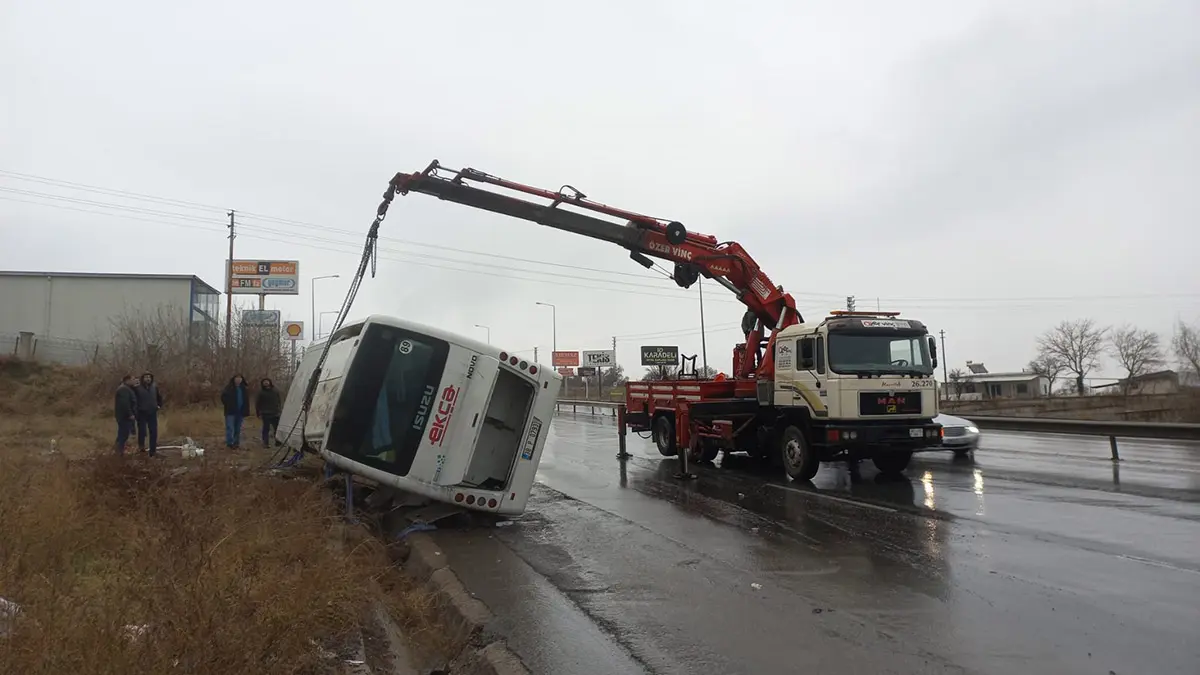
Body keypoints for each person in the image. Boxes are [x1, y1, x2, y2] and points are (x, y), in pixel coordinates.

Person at [134, 371, 164, 456]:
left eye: (149, 377)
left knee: (153, 431)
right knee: (142, 431)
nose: (148, 379)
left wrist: (159, 405)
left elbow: (159, 397)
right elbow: (133, 400)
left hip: (152, 412)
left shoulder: (154, 386)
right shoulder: (137, 388)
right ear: (142, 378)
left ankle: (153, 451)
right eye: (146, 377)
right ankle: (141, 448)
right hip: (141, 412)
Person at [221, 374, 251, 449]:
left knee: (238, 428)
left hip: (240, 412)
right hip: (230, 412)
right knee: (230, 427)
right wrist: (228, 404)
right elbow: (223, 397)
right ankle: (229, 443)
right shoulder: (229, 388)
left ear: (242, 380)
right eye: (237, 378)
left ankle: (236, 442)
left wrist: (246, 410)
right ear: (234, 379)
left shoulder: (243, 389)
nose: (238, 380)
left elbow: (246, 401)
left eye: (240, 378)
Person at [255, 377, 283, 448]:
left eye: (267, 381)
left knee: (277, 428)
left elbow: (279, 401)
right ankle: (265, 443)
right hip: (265, 413)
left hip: (275, 413)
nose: (266, 383)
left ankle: (278, 441)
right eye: (264, 382)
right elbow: (258, 404)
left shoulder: (275, 391)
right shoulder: (261, 392)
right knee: (266, 429)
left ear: (270, 382)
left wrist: (279, 409)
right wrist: (258, 413)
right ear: (262, 384)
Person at [113, 374, 137, 455]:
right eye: (133, 379)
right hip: (124, 416)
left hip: (124, 416)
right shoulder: (123, 389)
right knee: (124, 433)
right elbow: (125, 403)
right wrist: (130, 414)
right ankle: (120, 451)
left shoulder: (127, 388)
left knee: (123, 433)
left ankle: (118, 449)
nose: (135, 380)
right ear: (127, 380)